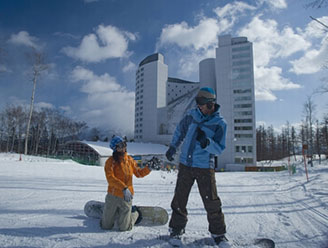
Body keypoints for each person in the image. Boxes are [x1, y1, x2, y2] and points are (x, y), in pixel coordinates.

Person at [165, 87, 228, 245]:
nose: (199, 107)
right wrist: (173, 147)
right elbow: (180, 131)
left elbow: (219, 148)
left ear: (210, 104)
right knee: (179, 199)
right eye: (198, 103)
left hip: (204, 167)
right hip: (186, 164)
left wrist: (206, 142)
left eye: (202, 104)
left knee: (211, 201)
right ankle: (176, 229)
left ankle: (218, 233)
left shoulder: (219, 123)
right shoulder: (191, 116)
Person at [101, 135, 151, 231]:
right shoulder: (110, 162)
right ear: (115, 149)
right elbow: (110, 178)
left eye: (124, 145)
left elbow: (139, 173)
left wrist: (149, 168)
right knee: (106, 226)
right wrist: (123, 188)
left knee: (124, 228)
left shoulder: (130, 160)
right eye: (120, 146)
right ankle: (110, 212)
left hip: (126, 196)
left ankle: (134, 213)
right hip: (113, 195)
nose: (123, 148)